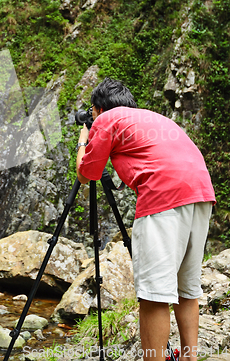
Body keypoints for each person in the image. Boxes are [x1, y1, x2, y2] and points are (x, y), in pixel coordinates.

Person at [76, 77, 215, 361]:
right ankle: (190, 357)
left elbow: (87, 173)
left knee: (155, 294)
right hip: (201, 193)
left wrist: (83, 141)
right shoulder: (151, 119)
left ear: (98, 109)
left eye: (91, 113)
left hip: (164, 196)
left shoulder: (106, 119)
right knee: (187, 288)